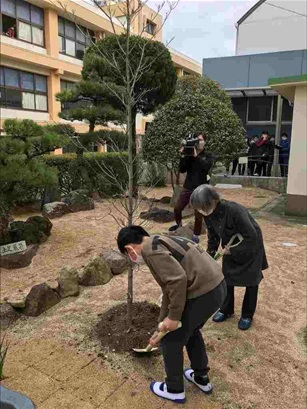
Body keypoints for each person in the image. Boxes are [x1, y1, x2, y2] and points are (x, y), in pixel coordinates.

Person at [117, 226, 226, 403]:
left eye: (128, 255)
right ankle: (201, 378)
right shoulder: (160, 239)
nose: (132, 259)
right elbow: (168, 287)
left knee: (171, 340)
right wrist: (162, 321)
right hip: (217, 287)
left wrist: (174, 317)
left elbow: (177, 280)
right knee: (191, 331)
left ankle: (174, 389)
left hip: (202, 293)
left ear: (129, 249)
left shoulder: (150, 251)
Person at [190, 185, 268, 331]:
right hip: (230, 247)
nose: (202, 210)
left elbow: (251, 235)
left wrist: (232, 250)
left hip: (250, 245)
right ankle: (226, 309)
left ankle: (247, 315)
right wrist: (209, 256)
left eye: (204, 206)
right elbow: (213, 236)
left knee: (251, 281)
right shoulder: (208, 214)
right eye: (199, 208)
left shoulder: (233, 210)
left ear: (214, 200)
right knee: (227, 279)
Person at [169, 133, 214, 243]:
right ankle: (179, 227)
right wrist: (183, 156)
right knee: (177, 208)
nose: (198, 142)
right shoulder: (189, 154)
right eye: (196, 140)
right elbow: (182, 169)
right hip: (188, 186)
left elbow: (205, 167)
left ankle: (196, 235)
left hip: (201, 187)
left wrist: (196, 156)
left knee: (198, 214)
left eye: (200, 140)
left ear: (205, 142)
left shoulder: (208, 155)